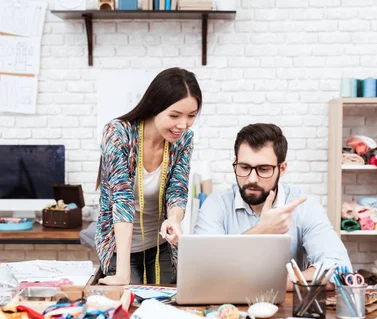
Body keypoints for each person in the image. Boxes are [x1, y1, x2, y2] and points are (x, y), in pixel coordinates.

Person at [193, 123, 351, 287]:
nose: (252, 179)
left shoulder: (304, 206)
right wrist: (262, 230)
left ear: (282, 169)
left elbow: (340, 269)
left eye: (263, 169)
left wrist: (275, 284)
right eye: (244, 167)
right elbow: (201, 271)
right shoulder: (216, 204)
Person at [95, 67, 202, 286]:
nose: (183, 125)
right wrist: (123, 273)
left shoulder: (183, 139)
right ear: (155, 107)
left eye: (191, 116)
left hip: (160, 244)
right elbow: (122, 199)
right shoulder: (118, 133)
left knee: (167, 303)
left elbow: (178, 189)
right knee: (129, 301)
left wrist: (174, 218)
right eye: (174, 115)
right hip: (120, 248)